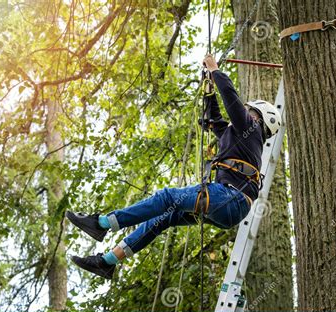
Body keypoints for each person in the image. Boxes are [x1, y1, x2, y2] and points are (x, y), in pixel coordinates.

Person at [66, 54, 282, 279]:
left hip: (229, 199)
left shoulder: (252, 129)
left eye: (248, 111)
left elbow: (230, 97)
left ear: (257, 117)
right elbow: (215, 120)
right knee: (166, 216)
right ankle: (107, 262)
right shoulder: (240, 137)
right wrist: (209, 89)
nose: (244, 113)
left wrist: (216, 70)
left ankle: (102, 223)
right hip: (229, 207)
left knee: (167, 197)